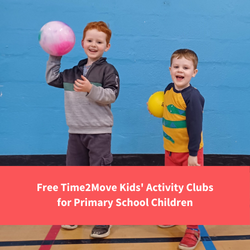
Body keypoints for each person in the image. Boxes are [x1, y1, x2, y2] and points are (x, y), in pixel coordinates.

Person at [45, 21, 120, 239]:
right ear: (82, 43)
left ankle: (103, 220)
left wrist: (90, 90)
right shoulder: (72, 72)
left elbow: (111, 96)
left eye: (99, 41)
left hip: (99, 133)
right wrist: (55, 55)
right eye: (90, 40)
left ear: (107, 46)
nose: (93, 45)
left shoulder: (108, 70)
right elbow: (51, 78)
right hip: (75, 132)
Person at [148, 49, 204, 250]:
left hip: (189, 154)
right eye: (177, 67)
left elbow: (195, 127)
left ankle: (193, 229)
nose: (181, 71)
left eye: (186, 68)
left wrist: (192, 154)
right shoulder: (168, 89)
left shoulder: (193, 97)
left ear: (194, 72)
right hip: (170, 151)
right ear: (170, 69)